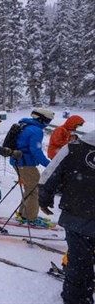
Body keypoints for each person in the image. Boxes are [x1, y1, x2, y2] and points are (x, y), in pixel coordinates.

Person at [39, 130, 95, 304]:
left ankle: (77, 298)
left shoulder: (74, 148)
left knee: (79, 263)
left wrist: (44, 198)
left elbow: (50, 174)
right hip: (78, 214)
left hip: (77, 215)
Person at [10, 108, 54, 227]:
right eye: (48, 121)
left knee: (29, 189)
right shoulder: (35, 130)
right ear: (41, 119)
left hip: (17, 161)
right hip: (26, 163)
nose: (47, 124)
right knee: (34, 190)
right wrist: (50, 165)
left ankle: (24, 214)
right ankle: (30, 218)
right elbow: (36, 150)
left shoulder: (24, 125)